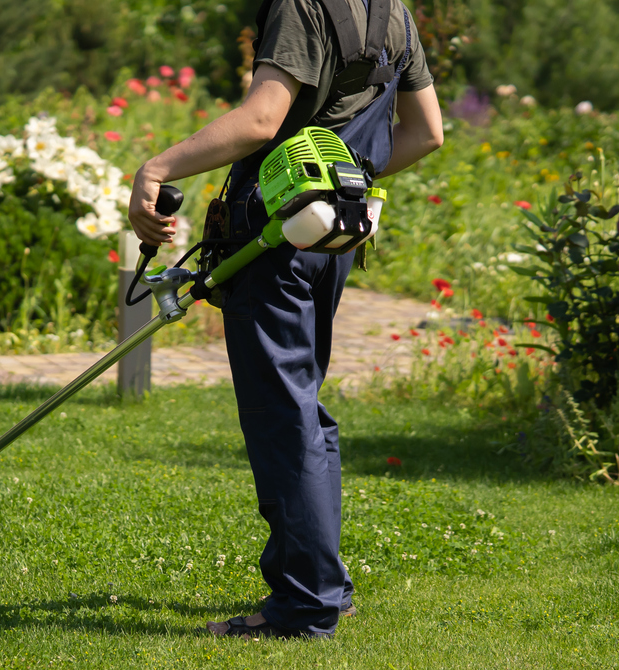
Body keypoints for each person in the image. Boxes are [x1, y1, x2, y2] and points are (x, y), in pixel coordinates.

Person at [127, 0, 442, 639]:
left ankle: (304, 606)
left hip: (276, 235)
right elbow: (427, 132)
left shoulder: (302, 5)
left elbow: (261, 120)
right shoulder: (393, 11)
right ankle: (325, 588)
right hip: (334, 235)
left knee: (284, 417)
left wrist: (155, 169)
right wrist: (342, 181)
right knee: (303, 410)